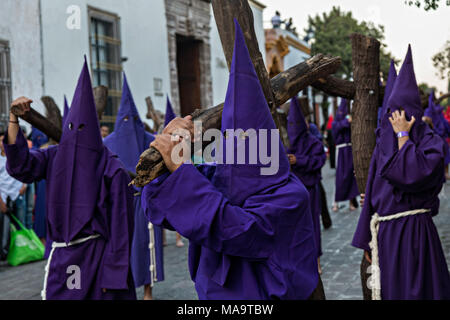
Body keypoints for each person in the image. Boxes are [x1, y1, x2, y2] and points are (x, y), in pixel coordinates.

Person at [141, 20, 323, 300]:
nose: (241, 149)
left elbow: (238, 230)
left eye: (249, 142)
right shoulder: (219, 177)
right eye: (233, 141)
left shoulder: (290, 194)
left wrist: (182, 171)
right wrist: (170, 149)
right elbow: (156, 205)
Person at [4, 58, 136, 300]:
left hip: (97, 257)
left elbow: (121, 229)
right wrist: (13, 120)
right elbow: (20, 166)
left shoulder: (113, 169)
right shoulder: (54, 157)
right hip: (65, 258)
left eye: (82, 128)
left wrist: (114, 275)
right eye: (72, 127)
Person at [352, 46, 450, 300]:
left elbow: (414, 176)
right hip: (386, 236)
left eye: (399, 116)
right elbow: (372, 193)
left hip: (415, 232)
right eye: (390, 116)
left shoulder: (431, 143)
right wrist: (366, 239)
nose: (393, 122)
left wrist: (403, 137)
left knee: (417, 291)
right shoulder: (382, 146)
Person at [104, 74, 164, 301]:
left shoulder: (151, 139)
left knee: (144, 246)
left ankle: (148, 290)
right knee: (122, 248)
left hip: (145, 200)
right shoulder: (108, 143)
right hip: (118, 204)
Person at [287, 97, 326, 275]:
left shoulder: (314, 143)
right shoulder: (286, 144)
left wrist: (299, 160)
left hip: (310, 191)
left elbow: (319, 161)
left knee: (313, 226)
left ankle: (316, 260)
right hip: (292, 193)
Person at [162, 97, 185, 248]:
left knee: (181, 211)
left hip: (180, 180)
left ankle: (179, 237)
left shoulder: (185, 145)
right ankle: (163, 238)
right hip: (167, 181)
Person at [0, 132, 25, 261]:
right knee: (5, 228)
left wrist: (24, 186)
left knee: (20, 224)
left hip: (18, 194)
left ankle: (23, 251)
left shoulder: (16, 156)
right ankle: (6, 253)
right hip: (3, 197)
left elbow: (24, 169)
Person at [331, 99, 359, 212]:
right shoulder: (336, 123)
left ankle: (352, 202)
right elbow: (337, 128)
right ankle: (335, 202)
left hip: (350, 149)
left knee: (351, 177)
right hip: (341, 151)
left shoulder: (348, 118)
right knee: (339, 177)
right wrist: (347, 122)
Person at [30, 127, 49, 247]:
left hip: (48, 181)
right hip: (39, 184)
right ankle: (41, 238)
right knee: (41, 210)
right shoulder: (34, 150)